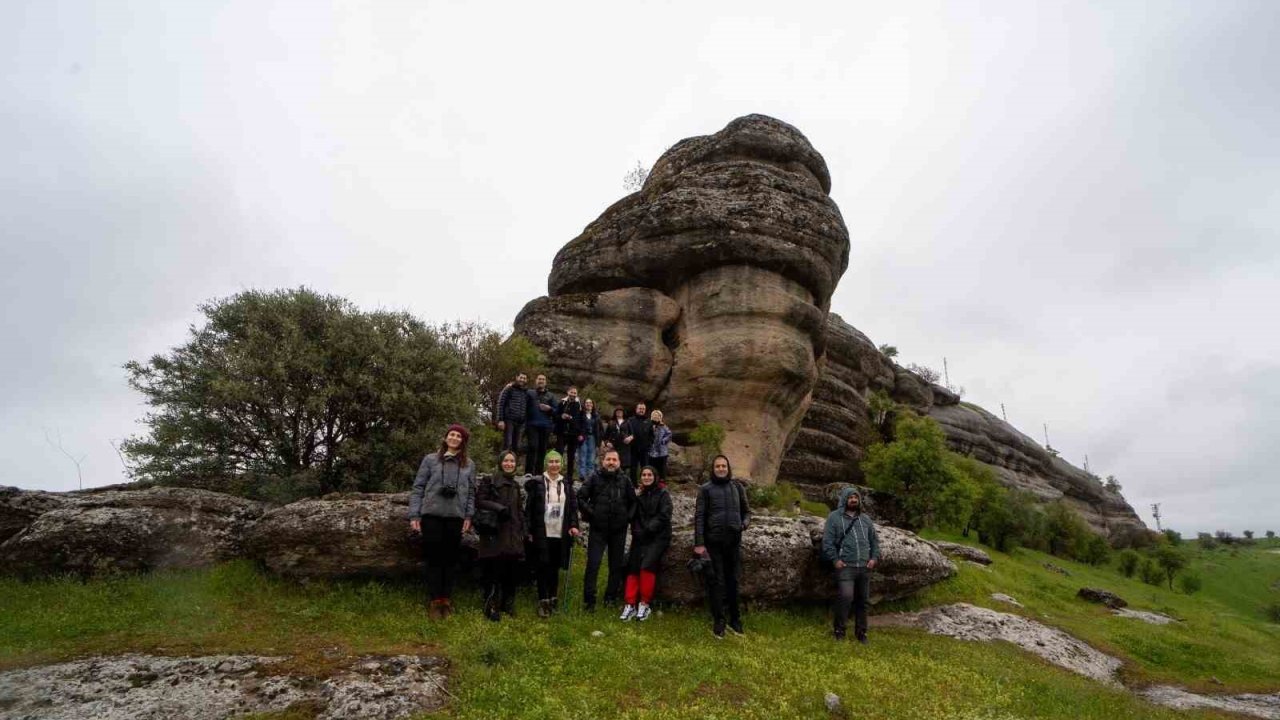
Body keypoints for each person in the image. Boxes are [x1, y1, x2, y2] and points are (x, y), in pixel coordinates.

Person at [408, 423, 477, 619]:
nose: (454, 438)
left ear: (463, 441)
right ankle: (435, 600)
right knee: (433, 558)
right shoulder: (430, 460)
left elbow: (471, 492)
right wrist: (414, 514)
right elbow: (418, 488)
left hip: (455, 517)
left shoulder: (468, 464)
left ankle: (446, 599)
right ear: (446, 437)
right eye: (452, 434)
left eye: (459, 436)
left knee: (450, 560)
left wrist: (468, 516)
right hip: (432, 516)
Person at [693, 454, 751, 639]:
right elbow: (700, 517)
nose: (720, 469)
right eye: (717, 466)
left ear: (728, 468)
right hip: (713, 542)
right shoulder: (705, 489)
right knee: (716, 582)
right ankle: (719, 620)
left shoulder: (737, 487)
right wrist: (699, 543)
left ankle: (736, 620)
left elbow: (747, 512)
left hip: (733, 541)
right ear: (713, 469)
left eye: (723, 466)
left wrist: (744, 523)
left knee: (733, 581)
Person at [576, 448, 636, 611]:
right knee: (593, 564)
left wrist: (627, 518)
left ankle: (610, 598)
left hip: (618, 530)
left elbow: (634, 502)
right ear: (603, 461)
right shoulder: (594, 477)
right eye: (608, 459)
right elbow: (581, 497)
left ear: (619, 462)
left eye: (614, 460)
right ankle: (589, 601)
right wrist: (592, 515)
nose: (611, 462)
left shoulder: (625, 480)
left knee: (615, 566)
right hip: (598, 529)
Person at [524, 450, 581, 618]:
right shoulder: (538, 483)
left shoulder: (567, 484)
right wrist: (528, 530)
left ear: (561, 464)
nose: (554, 465)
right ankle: (543, 600)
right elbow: (529, 510)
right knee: (542, 566)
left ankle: (553, 597)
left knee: (555, 567)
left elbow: (572, 508)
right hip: (542, 531)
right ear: (546, 464)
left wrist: (573, 525)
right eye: (551, 462)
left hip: (560, 532)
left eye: (557, 462)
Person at [475, 450, 528, 622]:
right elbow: (480, 501)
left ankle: (508, 604)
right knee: (492, 572)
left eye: (512, 461)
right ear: (500, 462)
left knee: (511, 572)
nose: (509, 464)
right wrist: (499, 508)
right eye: (506, 461)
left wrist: (523, 530)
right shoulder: (489, 481)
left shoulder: (515, 485)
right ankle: (491, 606)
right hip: (494, 533)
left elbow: (519, 511)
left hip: (512, 535)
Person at [822, 487, 880, 643]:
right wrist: (835, 560)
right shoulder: (834, 517)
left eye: (856, 497)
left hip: (864, 566)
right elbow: (827, 541)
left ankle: (862, 634)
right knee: (846, 598)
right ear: (844, 499)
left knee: (863, 601)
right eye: (850, 497)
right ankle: (839, 631)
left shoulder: (866, 519)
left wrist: (873, 558)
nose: (854, 500)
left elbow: (874, 540)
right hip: (845, 566)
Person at [621, 466, 672, 622]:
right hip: (641, 536)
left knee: (647, 565)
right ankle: (630, 603)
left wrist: (649, 529)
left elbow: (664, 515)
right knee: (633, 566)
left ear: (655, 476)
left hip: (658, 536)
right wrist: (637, 531)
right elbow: (634, 516)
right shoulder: (640, 496)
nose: (647, 477)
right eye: (644, 475)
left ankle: (645, 603)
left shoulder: (663, 494)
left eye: (650, 474)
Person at [525, 374, 558, 475]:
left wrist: (549, 409)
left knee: (542, 449)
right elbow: (522, 402)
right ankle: (529, 472)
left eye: (543, 379)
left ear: (546, 382)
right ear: (536, 381)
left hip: (545, 426)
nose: (541, 381)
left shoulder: (551, 396)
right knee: (532, 447)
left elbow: (557, 411)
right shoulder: (529, 393)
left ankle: (539, 473)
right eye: (539, 379)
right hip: (532, 424)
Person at [495, 372, 530, 455]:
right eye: (521, 377)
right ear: (516, 377)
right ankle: (503, 465)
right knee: (507, 444)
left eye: (524, 378)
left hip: (520, 422)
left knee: (517, 446)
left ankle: (513, 466)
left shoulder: (526, 392)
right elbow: (501, 403)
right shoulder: (509, 388)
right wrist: (500, 420)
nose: (522, 380)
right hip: (509, 420)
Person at [555, 386, 584, 483]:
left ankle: (570, 476)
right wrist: (561, 416)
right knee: (559, 453)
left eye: (575, 393)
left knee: (571, 456)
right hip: (562, 432)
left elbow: (579, 420)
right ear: (568, 392)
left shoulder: (578, 405)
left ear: (576, 394)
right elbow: (555, 416)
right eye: (571, 392)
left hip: (573, 434)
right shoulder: (561, 402)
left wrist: (579, 432)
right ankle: (556, 473)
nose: (573, 394)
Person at [623, 403, 654, 487]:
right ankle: (634, 485)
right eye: (640, 408)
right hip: (633, 448)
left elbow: (652, 436)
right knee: (633, 467)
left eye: (643, 409)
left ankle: (645, 484)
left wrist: (649, 444)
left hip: (644, 449)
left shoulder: (648, 421)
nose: (641, 410)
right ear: (636, 409)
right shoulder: (630, 420)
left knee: (645, 467)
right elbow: (626, 432)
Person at [577, 398, 603, 481]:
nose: (588, 404)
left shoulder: (596, 415)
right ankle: (582, 476)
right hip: (583, 437)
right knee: (582, 456)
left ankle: (590, 476)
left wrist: (600, 440)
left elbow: (600, 429)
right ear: (584, 404)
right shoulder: (580, 414)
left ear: (592, 404)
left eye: (590, 403)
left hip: (593, 438)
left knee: (591, 458)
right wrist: (579, 434)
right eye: (587, 403)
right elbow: (577, 425)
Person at [603, 407, 630, 472]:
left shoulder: (628, 422)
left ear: (623, 413)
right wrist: (607, 443)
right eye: (617, 411)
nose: (619, 412)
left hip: (624, 447)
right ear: (615, 413)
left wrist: (630, 438)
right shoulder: (611, 422)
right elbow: (605, 437)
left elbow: (632, 434)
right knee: (612, 464)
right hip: (613, 447)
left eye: (620, 411)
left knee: (623, 466)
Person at [647, 410, 672, 480]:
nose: (656, 416)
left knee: (662, 469)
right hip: (651, 452)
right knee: (652, 468)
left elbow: (669, 434)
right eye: (654, 415)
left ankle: (662, 483)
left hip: (662, 452)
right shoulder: (649, 425)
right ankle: (652, 482)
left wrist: (663, 441)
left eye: (657, 415)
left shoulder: (664, 426)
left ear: (660, 417)